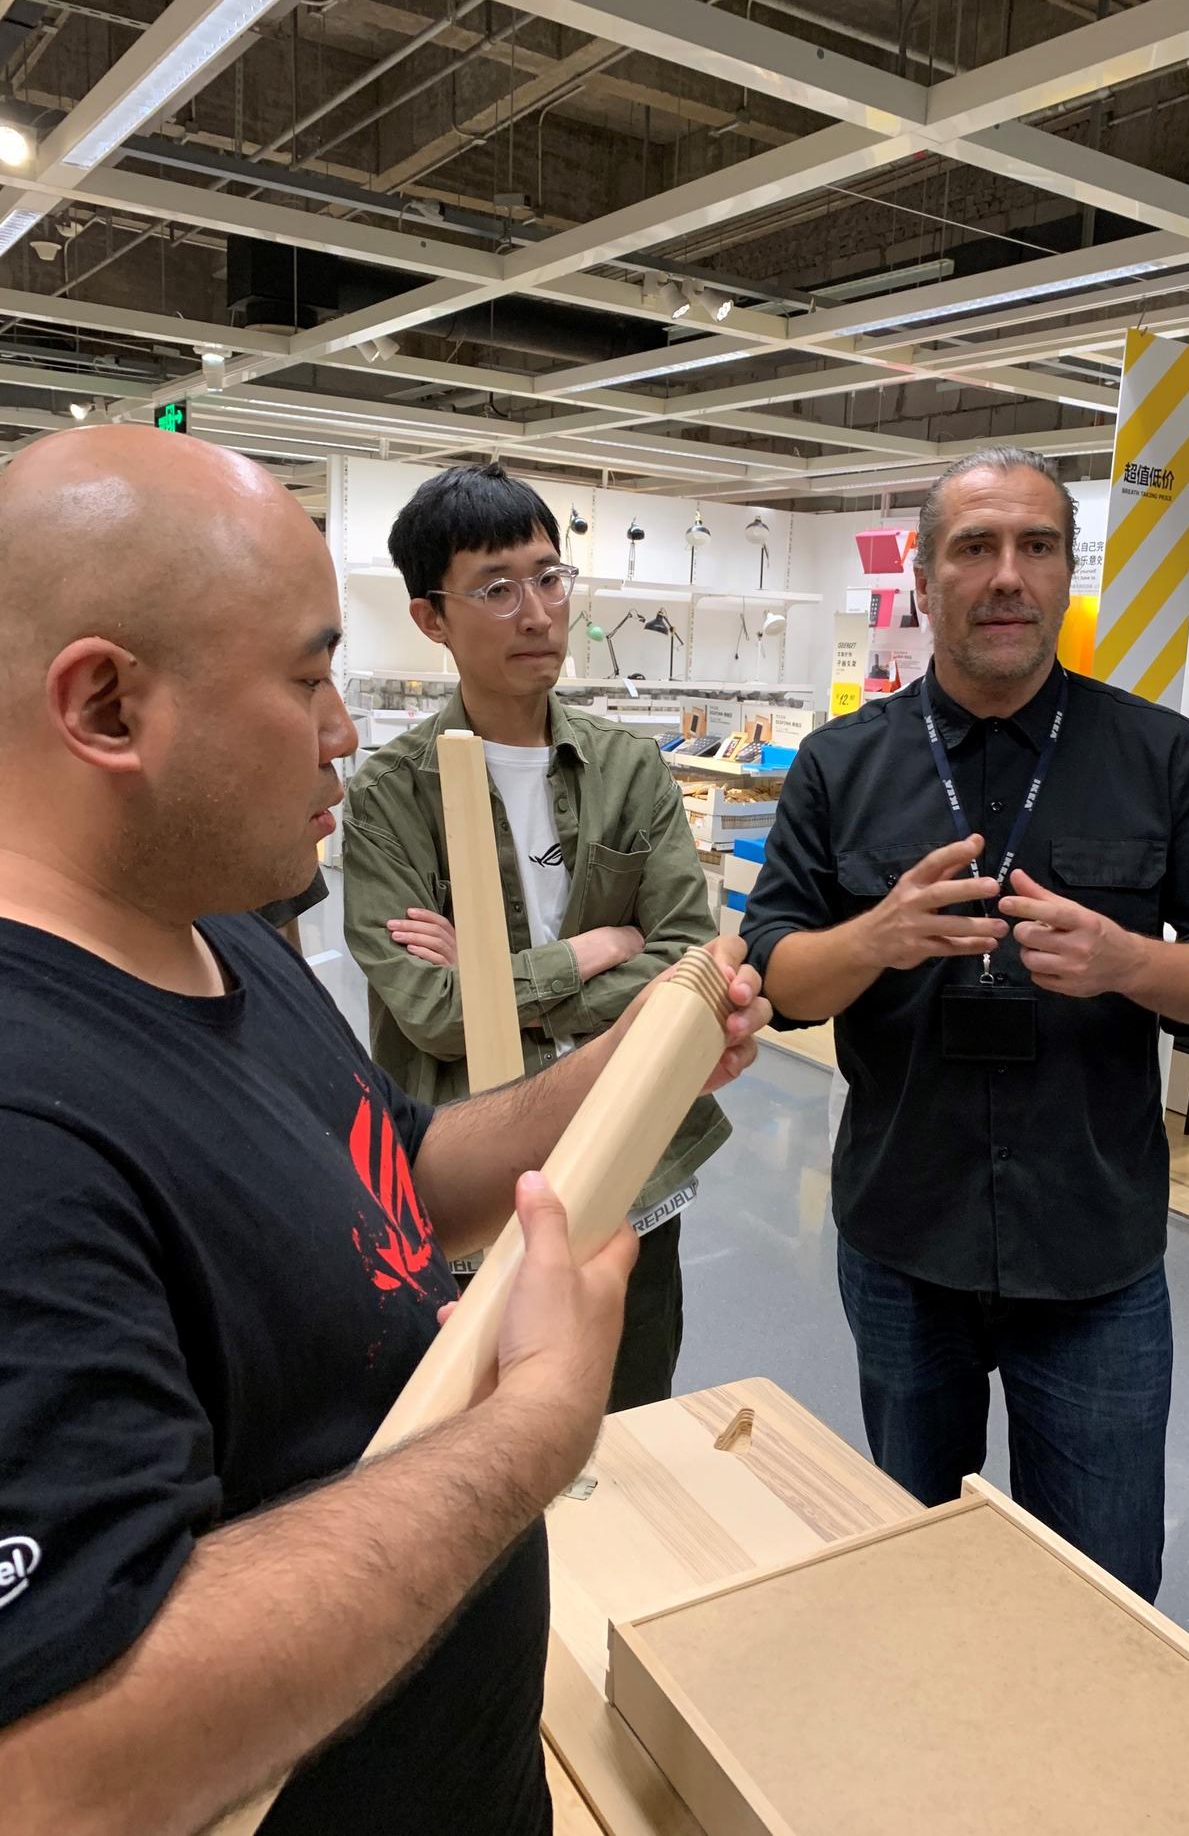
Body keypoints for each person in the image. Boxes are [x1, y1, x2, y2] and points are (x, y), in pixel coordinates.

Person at [0, 426, 766, 1835]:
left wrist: (615, 1069)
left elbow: (385, 1175)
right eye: (307, 679)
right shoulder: (23, 1117)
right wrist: (530, 1425)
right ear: (106, 705)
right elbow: (63, 1769)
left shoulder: (221, 928)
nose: (347, 729)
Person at [741, 445, 1189, 1601]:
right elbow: (773, 972)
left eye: (1035, 547)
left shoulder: (1157, 756)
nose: (1007, 576)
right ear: (922, 579)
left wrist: (1130, 962)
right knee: (912, 1559)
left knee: (1100, 1592)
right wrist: (876, 939)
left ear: (1064, 571)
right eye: (975, 548)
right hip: (902, 1239)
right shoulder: (843, 766)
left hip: (1092, 1255)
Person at [342, 463, 729, 1410]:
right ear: (432, 617)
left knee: (629, 1431)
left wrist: (502, 980)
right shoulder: (390, 799)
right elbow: (431, 1015)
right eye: (497, 588)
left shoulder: (630, 768)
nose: (537, 611)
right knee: (478, 1439)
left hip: (632, 1157)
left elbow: (688, 964)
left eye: (550, 578)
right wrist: (596, 952)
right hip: (469, 1177)